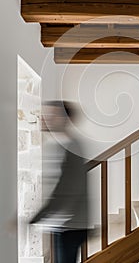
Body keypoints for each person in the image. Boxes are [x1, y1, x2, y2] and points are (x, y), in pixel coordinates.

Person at [30, 100, 88, 263]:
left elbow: (66, 190)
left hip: (70, 226)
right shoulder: (60, 144)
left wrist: (36, 217)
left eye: (50, 115)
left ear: (63, 118)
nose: (44, 118)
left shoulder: (71, 147)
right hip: (62, 224)